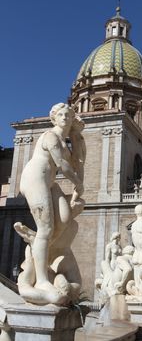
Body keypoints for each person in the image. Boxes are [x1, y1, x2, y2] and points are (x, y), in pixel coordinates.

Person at [15, 102, 85, 304]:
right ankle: (42, 280)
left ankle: (36, 243)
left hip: (49, 182)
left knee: (65, 218)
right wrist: (78, 184)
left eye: (69, 116)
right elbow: (63, 165)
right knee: (46, 228)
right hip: (35, 179)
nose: (65, 118)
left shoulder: (65, 141)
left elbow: (77, 162)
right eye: (61, 115)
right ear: (54, 118)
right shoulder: (51, 136)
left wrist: (78, 135)